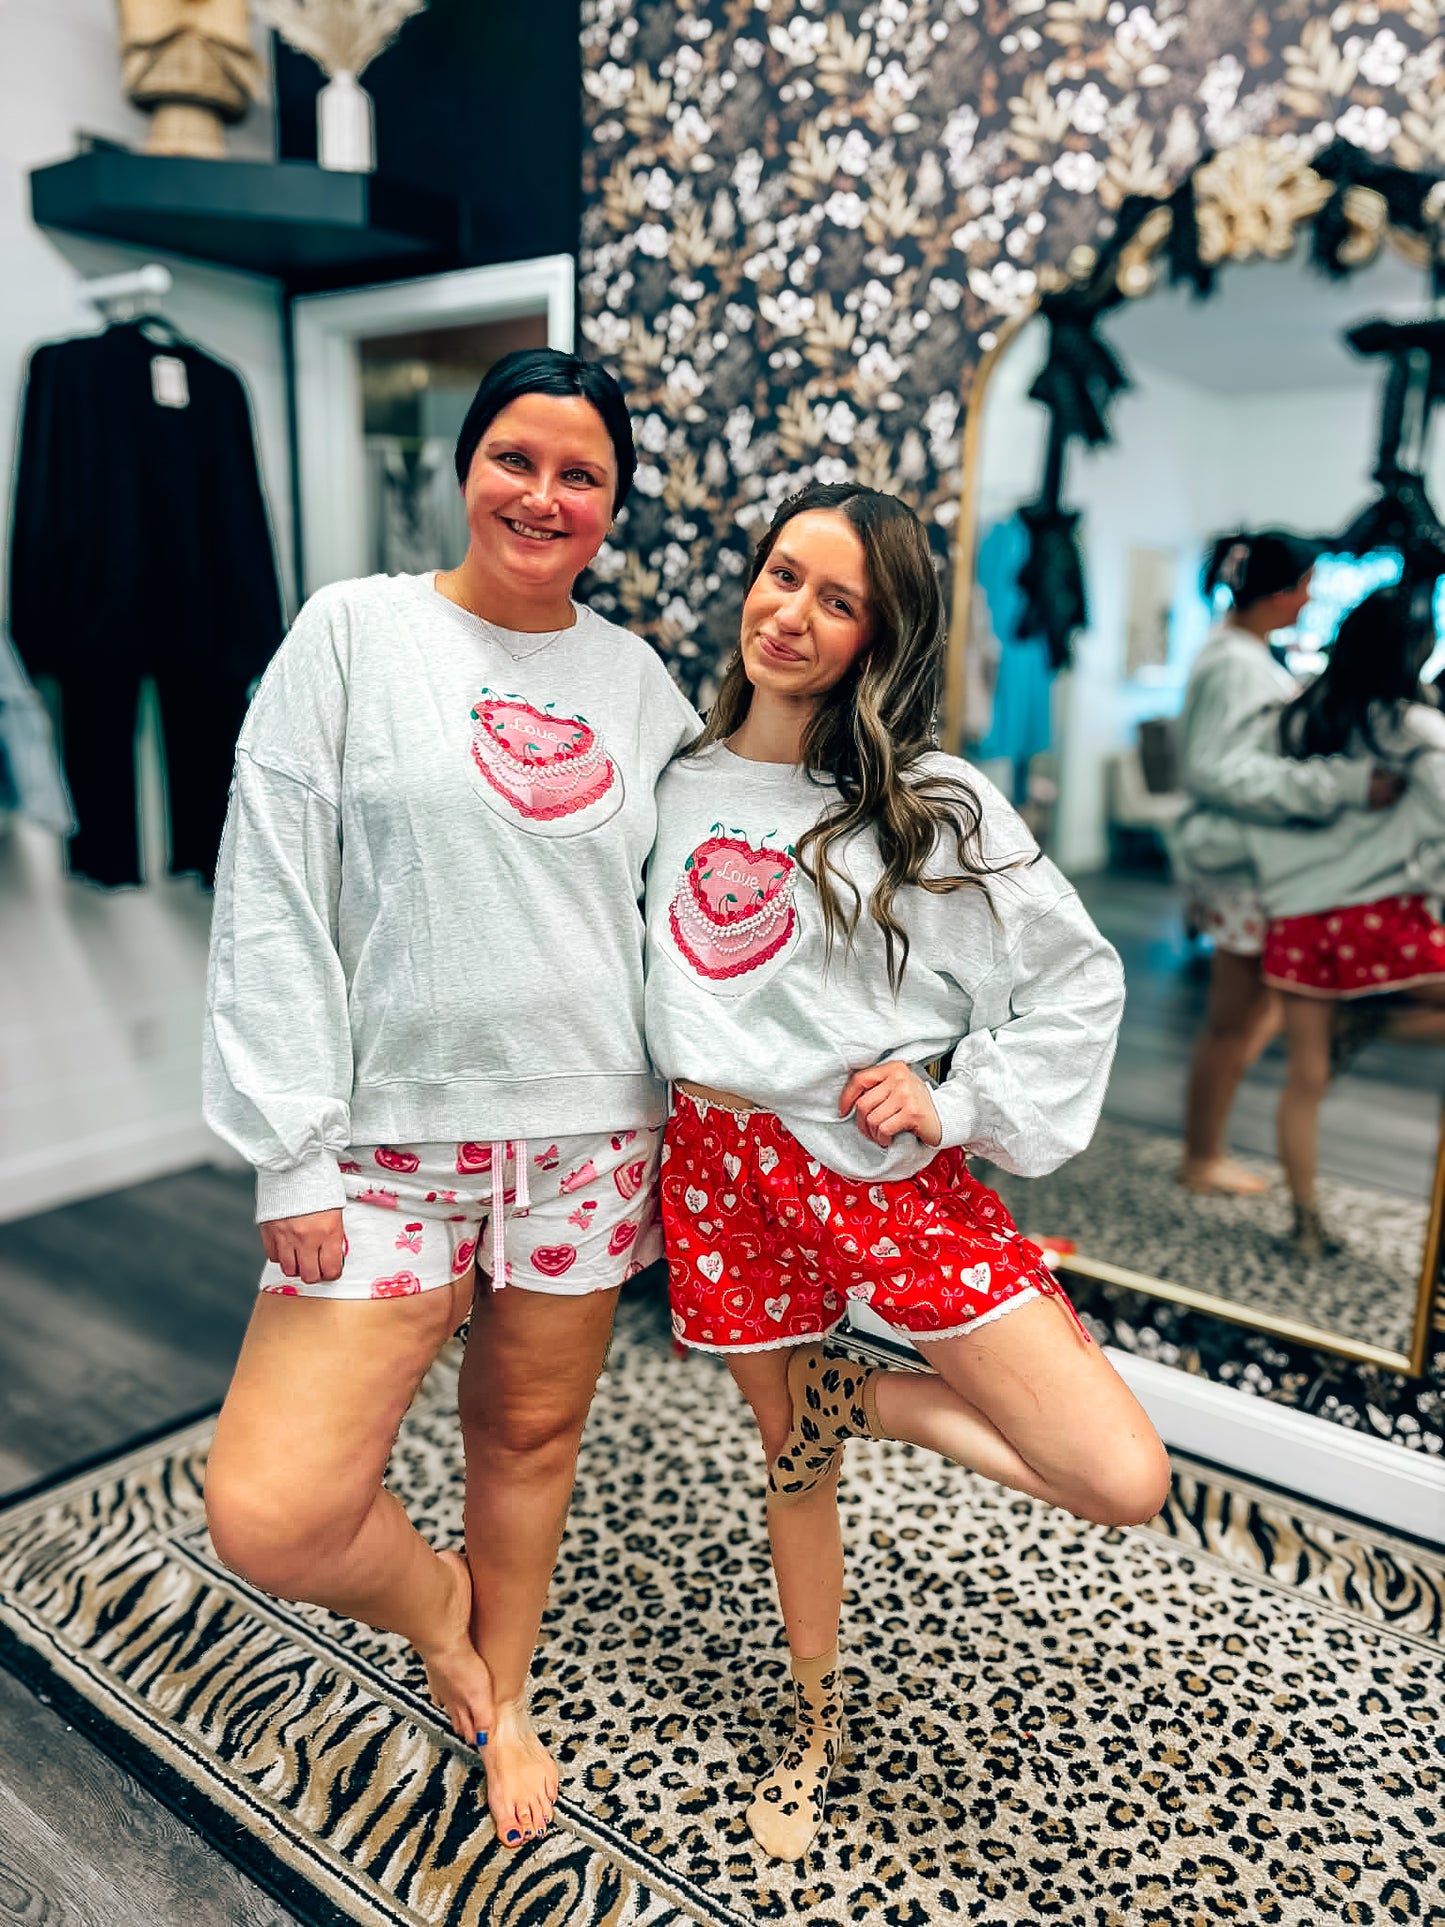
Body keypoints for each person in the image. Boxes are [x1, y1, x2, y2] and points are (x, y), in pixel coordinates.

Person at [201, 348, 700, 1848]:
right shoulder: (352, 632)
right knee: (274, 1511)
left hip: (590, 1138)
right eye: (515, 460)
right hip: (382, 1147)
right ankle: (443, 1618)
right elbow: (272, 892)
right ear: (466, 465)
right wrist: (289, 1149)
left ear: (613, 503)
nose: (543, 496)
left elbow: (692, 900)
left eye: (580, 474)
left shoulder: (636, 682)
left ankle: (510, 1692)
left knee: (530, 1439)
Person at [643, 481, 1170, 1861]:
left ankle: (851, 1391)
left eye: (838, 600)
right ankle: (813, 1724)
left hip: (872, 1170)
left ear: (881, 637)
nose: (790, 614)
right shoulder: (673, 778)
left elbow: (1076, 982)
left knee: (1118, 1473)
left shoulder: (932, 803)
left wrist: (954, 1095)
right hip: (718, 1164)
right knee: (790, 1472)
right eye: (780, 574)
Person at [1170, 530, 1401, 1196]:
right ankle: (1200, 1157)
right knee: (1231, 1021)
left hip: (1252, 866)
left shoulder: (1241, 655)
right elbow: (1219, 770)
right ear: (1279, 592)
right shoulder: (1236, 664)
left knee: (1253, 1013)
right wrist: (1341, 786)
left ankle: (1204, 1150)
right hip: (1239, 869)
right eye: (1305, 587)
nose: (1308, 600)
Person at [1246, 583, 1445, 1252]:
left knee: (1304, 1079)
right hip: (1378, 915)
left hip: (1299, 919)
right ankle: (1376, 1021)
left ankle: (1305, 1222)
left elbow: (1262, 804)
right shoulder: (1414, 728)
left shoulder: (1296, 718)